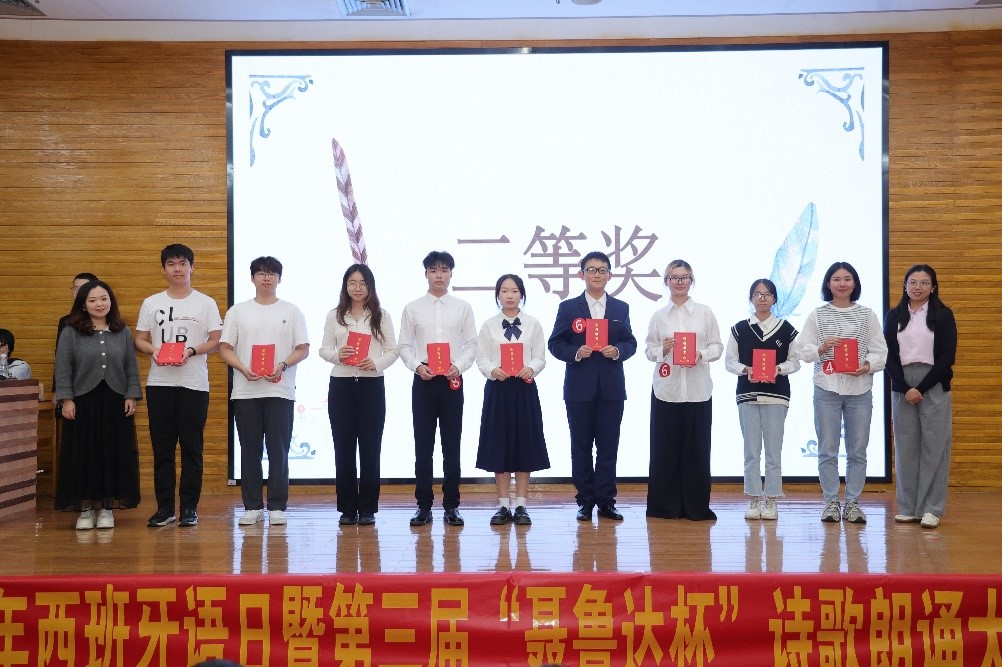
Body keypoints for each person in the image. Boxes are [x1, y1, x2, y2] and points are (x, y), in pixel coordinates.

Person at [134, 244, 223, 528]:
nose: (177, 269)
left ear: (192, 267)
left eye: (183, 263)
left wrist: (192, 351)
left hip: (194, 385)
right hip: (159, 383)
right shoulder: (151, 302)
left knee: (192, 448)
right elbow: (139, 339)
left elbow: (216, 341)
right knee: (162, 449)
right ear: (163, 269)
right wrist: (154, 351)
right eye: (171, 264)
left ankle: (189, 509)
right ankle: (164, 509)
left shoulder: (205, 303)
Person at [219, 256, 309, 527]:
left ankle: (278, 506)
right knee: (250, 450)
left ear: (279, 278)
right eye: (261, 273)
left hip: (280, 390)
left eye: (271, 273)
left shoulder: (292, 311)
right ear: (252, 278)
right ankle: (252, 506)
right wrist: (243, 368)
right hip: (246, 391)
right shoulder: (238, 311)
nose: (266, 278)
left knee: (279, 451)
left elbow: (303, 348)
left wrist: (282, 365)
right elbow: (225, 348)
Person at [795, 261, 887, 524]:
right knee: (827, 449)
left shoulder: (867, 315)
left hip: (860, 389)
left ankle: (853, 503)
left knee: (858, 450)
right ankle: (831, 502)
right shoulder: (817, 315)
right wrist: (822, 348)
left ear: (855, 283)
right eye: (836, 279)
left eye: (847, 279)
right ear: (828, 284)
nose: (842, 283)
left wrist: (866, 366)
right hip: (827, 387)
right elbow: (802, 350)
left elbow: (880, 350)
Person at [548, 251, 637, 522]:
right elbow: (555, 343)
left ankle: (606, 501)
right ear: (581, 274)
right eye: (591, 270)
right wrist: (575, 352)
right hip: (579, 388)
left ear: (610, 275)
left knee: (609, 446)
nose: (597, 274)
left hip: (611, 388)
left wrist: (617, 351)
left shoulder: (621, 308)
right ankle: (585, 500)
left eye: (602, 270)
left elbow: (630, 343)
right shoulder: (568, 308)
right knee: (581, 446)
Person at [53, 280, 142, 530]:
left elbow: (131, 366)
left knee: (112, 453)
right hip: (82, 402)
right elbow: (63, 367)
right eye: (92, 300)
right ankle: (84, 510)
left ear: (111, 301)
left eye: (103, 299)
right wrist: (67, 399)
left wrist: (131, 395)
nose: (99, 304)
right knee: (84, 454)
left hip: (115, 400)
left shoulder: (122, 331)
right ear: (83, 305)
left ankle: (106, 509)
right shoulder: (71, 331)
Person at [397, 251, 477, 527]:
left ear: (451, 273)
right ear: (426, 274)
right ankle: (423, 506)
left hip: (452, 380)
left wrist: (459, 366)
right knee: (423, 446)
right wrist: (416, 366)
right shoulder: (412, 308)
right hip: (424, 379)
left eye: (444, 270)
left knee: (451, 445)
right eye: (433, 270)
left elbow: (472, 345)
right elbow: (404, 345)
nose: (439, 275)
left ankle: (452, 505)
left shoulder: (463, 307)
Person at [319, 263, 399, 526]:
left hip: (371, 386)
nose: (357, 288)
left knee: (370, 448)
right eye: (352, 283)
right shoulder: (335, 316)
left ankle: (367, 509)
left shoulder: (381, 315)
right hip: (341, 385)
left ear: (370, 286)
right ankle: (346, 508)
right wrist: (337, 355)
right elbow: (324, 349)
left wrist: (375, 363)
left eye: (362, 283)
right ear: (345, 286)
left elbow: (393, 350)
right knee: (343, 448)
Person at [644, 259, 723, 521]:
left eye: (684, 277)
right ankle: (664, 508)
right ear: (666, 282)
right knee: (664, 451)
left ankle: (696, 507)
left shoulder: (705, 312)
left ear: (691, 281)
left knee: (697, 452)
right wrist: (663, 349)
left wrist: (701, 354)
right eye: (674, 277)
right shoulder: (659, 316)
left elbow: (717, 346)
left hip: (698, 390)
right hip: (667, 390)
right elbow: (649, 350)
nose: (679, 281)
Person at [884, 264, 957, 529]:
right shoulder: (894, 315)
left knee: (935, 446)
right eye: (913, 282)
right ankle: (908, 507)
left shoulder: (943, 315)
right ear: (905, 286)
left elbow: (947, 356)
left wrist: (921, 388)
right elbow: (888, 355)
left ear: (933, 287)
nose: (918, 287)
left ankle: (931, 508)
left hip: (933, 382)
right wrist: (905, 388)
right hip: (902, 384)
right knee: (906, 447)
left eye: (924, 283)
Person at [475, 274, 550, 526]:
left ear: (522, 295)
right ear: (497, 295)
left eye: (515, 291)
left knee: (524, 444)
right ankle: (503, 505)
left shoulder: (533, 324)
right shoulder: (489, 325)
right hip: (498, 389)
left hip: (524, 388)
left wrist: (532, 368)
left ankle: (521, 505)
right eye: (504, 291)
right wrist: (492, 370)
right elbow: (481, 358)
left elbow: (540, 356)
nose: (509, 295)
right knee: (500, 445)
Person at [724, 278, 800, 521]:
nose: (762, 298)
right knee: (751, 450)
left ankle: (772, 500)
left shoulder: (786, 329)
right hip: (747, 395)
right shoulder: (739, 329)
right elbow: (729, 361)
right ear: (751, 299)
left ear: (774, 298)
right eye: (757, 294)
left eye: (767, 294)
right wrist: (746, 369)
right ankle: (754, 498)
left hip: (776, 396)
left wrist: (778, 369)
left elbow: (795, 361)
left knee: (773, 452)